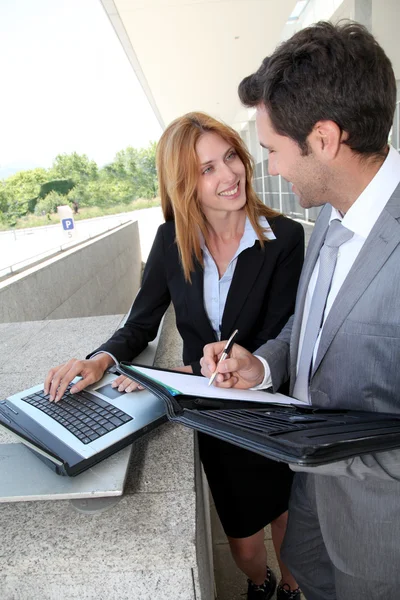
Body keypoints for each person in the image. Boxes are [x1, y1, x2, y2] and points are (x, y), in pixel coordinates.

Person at [44, 112, 304, 600]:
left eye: (230, 157)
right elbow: (141, 324)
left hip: (270, 407)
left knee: (290, 519)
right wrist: (99, 361)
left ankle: (290, 587)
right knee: (246, 547)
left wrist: (194, 369)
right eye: (207, 169)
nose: (229, 175)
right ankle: (261, 582)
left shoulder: (284, 238)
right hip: (215, 419)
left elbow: (282, 334)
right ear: (185, 183)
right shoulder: (171, 241)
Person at [200, 21, 400, 600]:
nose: (270, 170)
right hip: (311, 507)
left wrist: (317, 450)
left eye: (272, 150)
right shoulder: (331, 216)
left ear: (325, 138)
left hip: (381, 540)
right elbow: (309, 325)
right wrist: (261, 367)